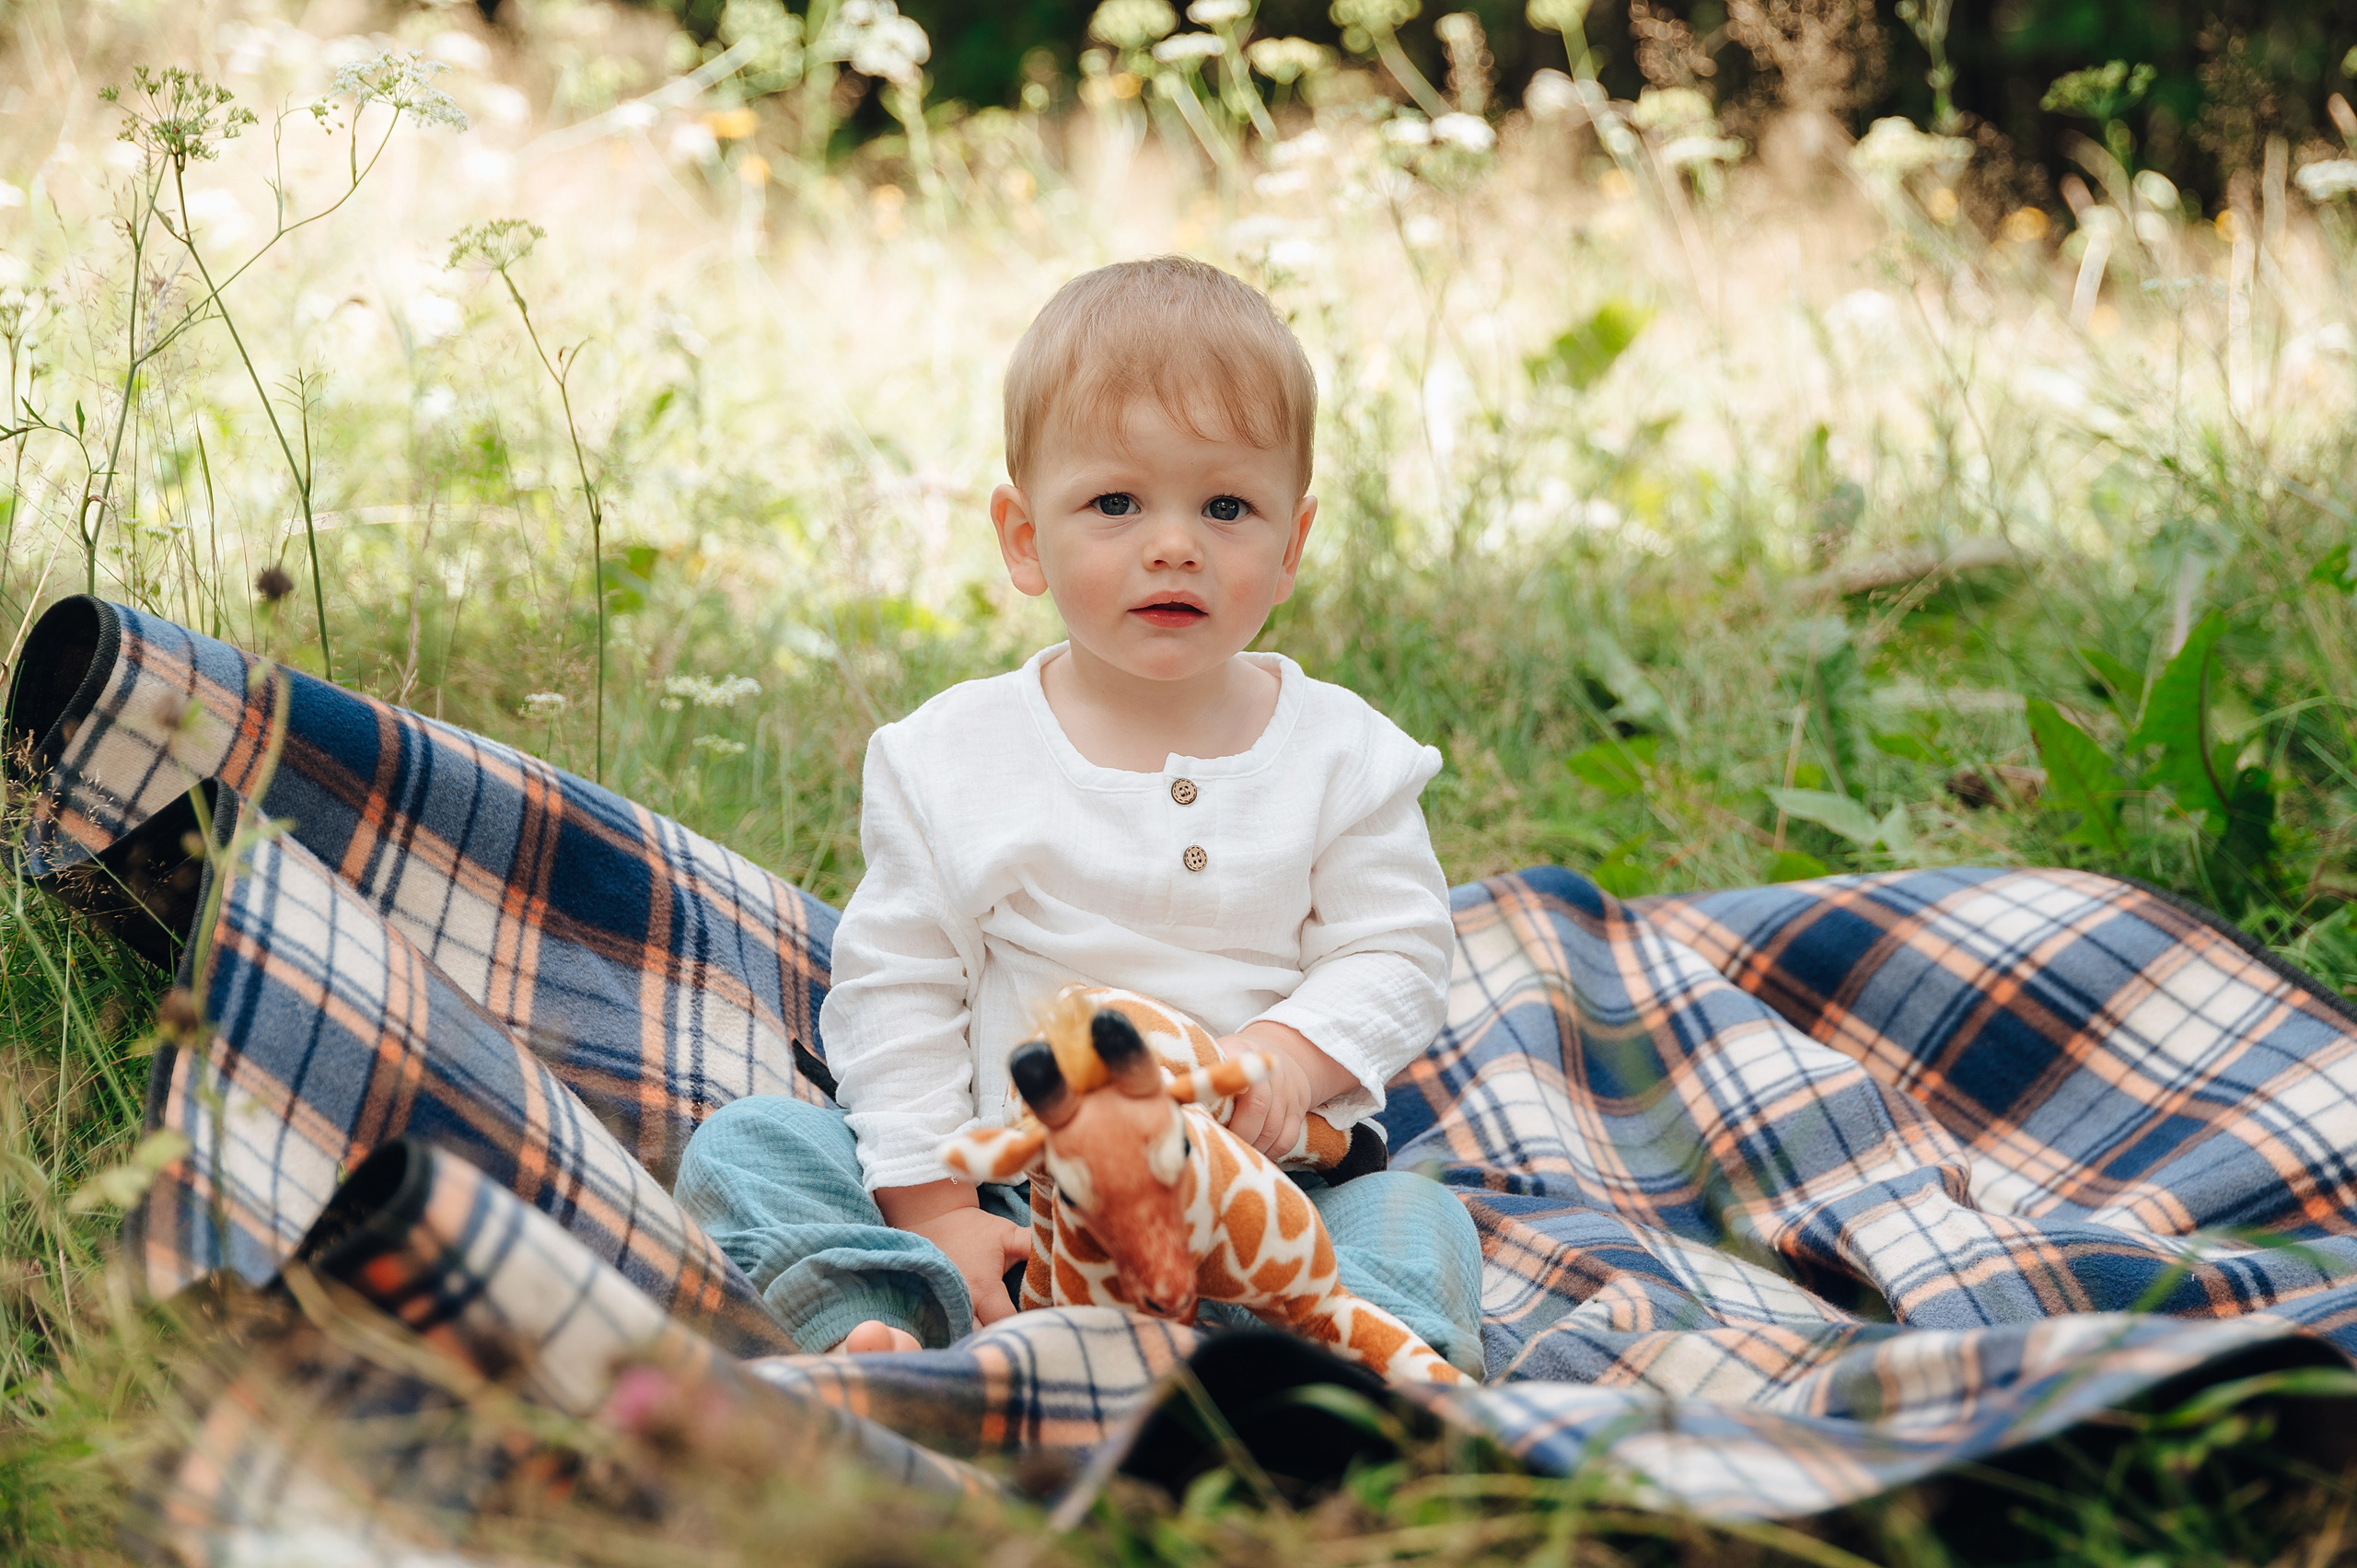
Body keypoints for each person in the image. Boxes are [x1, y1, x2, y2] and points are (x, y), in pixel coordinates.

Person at [674, 256, 1484, 1376]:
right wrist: (936, 1205)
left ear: (1290, 544)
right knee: (752, 1143)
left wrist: (1286, 1062)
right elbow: (897, 991)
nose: (1172, 543)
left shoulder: (1342, 752)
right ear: (1021, 536)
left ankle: (1312, 1395)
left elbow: (1395, 948)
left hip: (1260, 1203)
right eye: (1115, 502)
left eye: (1226, 506)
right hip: (1016, 1187)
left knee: (1417, 1218)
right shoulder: (950, 758)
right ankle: (887, 1339)